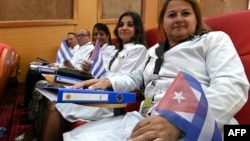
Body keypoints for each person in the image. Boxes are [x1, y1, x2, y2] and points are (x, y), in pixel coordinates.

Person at [64, 0, 250, 140]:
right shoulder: (154, 51)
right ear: (163, 23)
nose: (178, 19)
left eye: (185, 13)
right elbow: (136, 77)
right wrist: (109, 81)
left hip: (197, 121)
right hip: (147, 117)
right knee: (77, 137)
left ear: (196, 19)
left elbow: (232, 85)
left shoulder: (214, 40)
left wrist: (179, 122)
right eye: (171, 15)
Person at [37, 12, 148, 141]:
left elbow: (123, 79)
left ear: (137, 29)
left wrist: (101, 76)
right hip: (101, 91)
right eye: (121, 24)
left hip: (113, 100)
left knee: (55, 104)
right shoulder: (119, 51)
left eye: (130, 25)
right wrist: (92, 69)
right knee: (54, 100)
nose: (124, 28)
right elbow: (105, 75)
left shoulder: (139, 49)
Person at [20, 32, 80, 108]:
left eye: (71, 39)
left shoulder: (77, 50)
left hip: (62, 73)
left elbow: (68, 65)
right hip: (57, 68)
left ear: (77, 39)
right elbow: (60, 63)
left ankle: (27, 104)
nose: (69, 41)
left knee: (33, 75)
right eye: (68, 40)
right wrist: (45, 64)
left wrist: (55, 65)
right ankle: (28, 102)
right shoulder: (69, 49)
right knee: (31, 69)